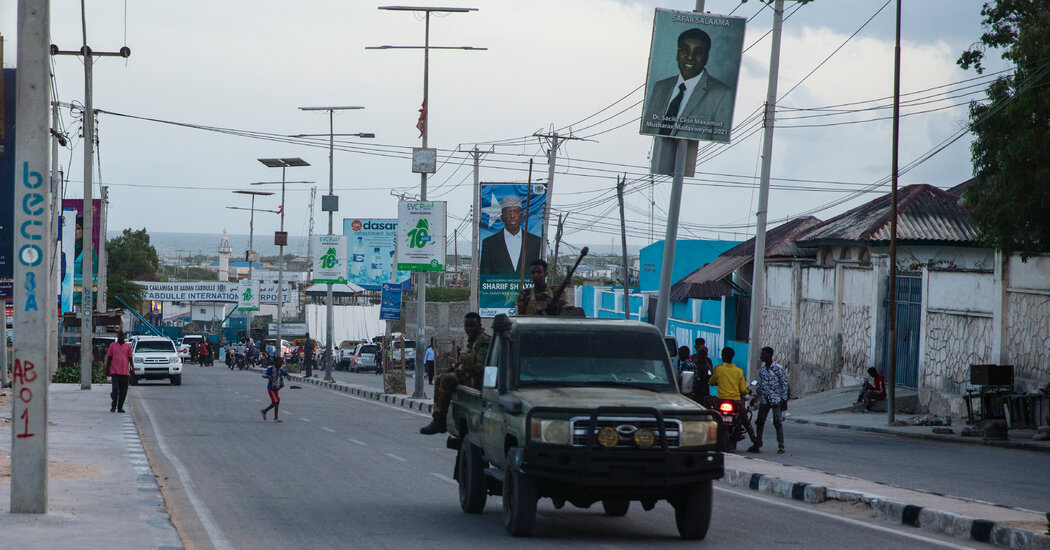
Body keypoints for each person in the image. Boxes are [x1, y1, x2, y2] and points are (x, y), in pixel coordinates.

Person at [641, 28, 734, 140]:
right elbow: (648, 129)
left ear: (706, 58)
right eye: (685, 50)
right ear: (677, 54)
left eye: (698, 52)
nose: (690, 57)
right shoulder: (660, 87)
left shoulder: (722, 94)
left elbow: (720, 137)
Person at [420, 312, 491, 435]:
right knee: (440, 379)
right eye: (467, 326)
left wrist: (460, 373)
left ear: (479, 325)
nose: (469, 329)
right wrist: (453, 368)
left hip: (478, 379)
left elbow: (480, 368)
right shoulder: (472, 341)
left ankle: (441, 418)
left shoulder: (483, 342)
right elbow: (464, 360)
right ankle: (438, 419)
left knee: (448, 379)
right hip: (468, 375)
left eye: (472, 325)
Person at [479, 196, 542, 275]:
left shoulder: (535, 242)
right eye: (508, 213)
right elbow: (485, 276)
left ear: (521, 216)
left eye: (515, 212)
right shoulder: (489, 243)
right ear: (502, 218)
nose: (512, 216)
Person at [708, 346, 757, 448]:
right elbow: (743, 390)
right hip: (736, 402)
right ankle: (755, 441)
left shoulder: (718, 369)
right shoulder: (738, 371)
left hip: (721, 401)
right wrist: (748, 391)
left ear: (722, 357)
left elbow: (711, 382)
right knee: (745, 421)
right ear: (732, 357)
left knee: (711, 413)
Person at [749, 347, 788, 454]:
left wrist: (784, 399)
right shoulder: (762, 370)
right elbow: (761, 384)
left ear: (769, 355)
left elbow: (784, 384)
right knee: (760, 421)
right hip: (765, 400)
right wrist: (755, 396)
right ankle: (758, 442)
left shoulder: (778, 369)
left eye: (763, 354)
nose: (761, 356)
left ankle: (781, 445)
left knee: (777, 422)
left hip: (776, 399)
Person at [105, 331, 133, 413]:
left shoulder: (128, 346)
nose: (120, 337)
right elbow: (109, 358)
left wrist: (133, 369)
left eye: (122, 336)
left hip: (125, 372)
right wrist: (107, 369)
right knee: (115, 389)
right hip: (115, 372)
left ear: (124, 336)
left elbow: (130, 358)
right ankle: (113, 406)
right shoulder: (112, 345)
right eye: (119, 336)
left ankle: (120, 407)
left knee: (123, 392)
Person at [261, 357, 291, 422]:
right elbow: (264, 374)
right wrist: (268, 376)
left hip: (276, 388)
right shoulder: (271, 369)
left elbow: (285, 373)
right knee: (276, 402)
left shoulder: (280, 370)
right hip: (271, 388)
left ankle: (273, 416)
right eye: (280, 362)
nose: (281, 364)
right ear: (276, 362)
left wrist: (288, 376)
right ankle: (266, 412)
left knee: (277, 402)